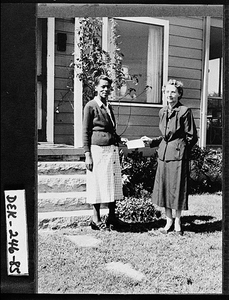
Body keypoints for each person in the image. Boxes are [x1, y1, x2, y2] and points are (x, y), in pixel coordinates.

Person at [142, 79, 198, 235]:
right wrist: (152, 142)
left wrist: (181, 149)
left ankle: (178, 221)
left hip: (178, 155)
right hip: (163, 155)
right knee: (165, 188)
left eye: (173, 92)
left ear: (179, 94)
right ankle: (168, 221)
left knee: (178, 188)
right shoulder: (162, 111)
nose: (170, 95)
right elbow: (164, 136)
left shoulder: (185, 111)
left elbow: (192, 137)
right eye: (167, 91)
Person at [83, 74, 127, 230]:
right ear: (96, 87)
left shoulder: (109, 107)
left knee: (112, 183)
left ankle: (112, 217)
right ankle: (96, 219)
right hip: (98, 150)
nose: (105, 89)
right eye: (102, 86)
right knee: (98, 183)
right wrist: (87, 154)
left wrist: (120, 139)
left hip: (111, 149)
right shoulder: (91, 106)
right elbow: (86, 132)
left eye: (108, 87)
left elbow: (110, 129)